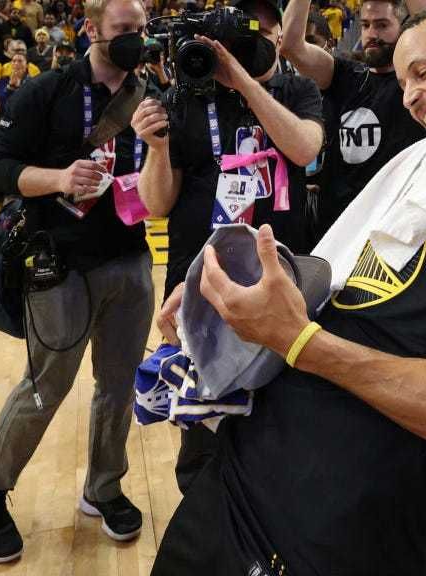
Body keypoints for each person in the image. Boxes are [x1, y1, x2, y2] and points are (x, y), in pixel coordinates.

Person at [150, 1, 426, 573]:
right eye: (404, 80)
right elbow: (337, 289)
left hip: (338, 537)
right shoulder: (418, 165)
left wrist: (301, 343)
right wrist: (230, 298)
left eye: (423, 72)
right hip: (240, 479)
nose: (410, 96)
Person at [0, 0, 154, 562]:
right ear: (91, 29)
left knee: (119, 384)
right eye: (123, 30)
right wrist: (60, 178)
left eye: (142, 29)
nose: (136, 40)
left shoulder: (150, 94)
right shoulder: (45, 91)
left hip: (129, 257)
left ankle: (104, 486)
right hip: (57, 262)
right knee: (47, 385)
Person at [132, 0, 324, 493]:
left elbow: (304, 147)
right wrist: (156, 148)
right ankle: (205, 516)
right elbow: (156, 203)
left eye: (256, 36)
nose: (241, 49)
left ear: (276, 37)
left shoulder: (296, 90)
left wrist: (243, 82)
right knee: (203, 428)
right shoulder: (183, 97)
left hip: (277, 282)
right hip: (199, 284)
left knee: (280, 417)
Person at [280, 0, 426, 241]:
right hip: (337, 230)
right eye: (366, 25)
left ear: (405, 28)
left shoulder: (419, 82)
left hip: (394, 230)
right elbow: (290, 45)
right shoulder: (343, 75)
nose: (372, 34)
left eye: (382, 25)